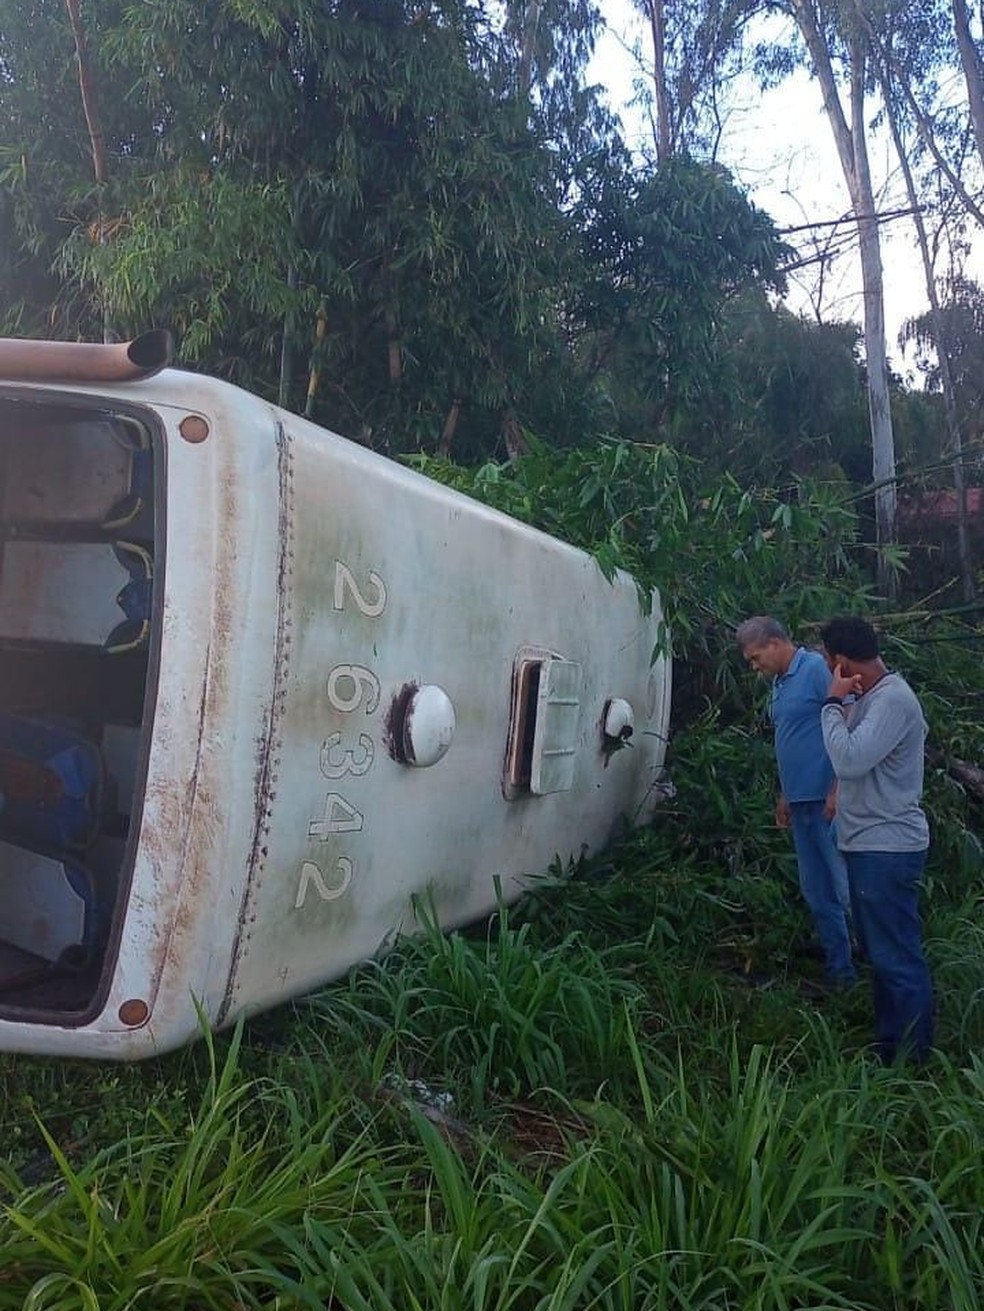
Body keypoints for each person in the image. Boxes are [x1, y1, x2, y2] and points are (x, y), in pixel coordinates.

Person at [819, 616, 934, 1063]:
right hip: (869, 842)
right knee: (883, 954)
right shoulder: (870, 698)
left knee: (895, 956)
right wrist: (847, 702)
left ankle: (910, 1062)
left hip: (886, 846)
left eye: (830, 663)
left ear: (841, 661)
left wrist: (831, 704)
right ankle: (892, 1046)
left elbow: (848, 760)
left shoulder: (893, 701)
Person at [737, 616, 855, 988]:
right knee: (817, 892)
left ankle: (883, 965)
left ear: (775, 643)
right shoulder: (779, 684)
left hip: (827, 802)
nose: (755, 667)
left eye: (757, 658)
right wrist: (785, 794)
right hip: (801, 802)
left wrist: (839, 788)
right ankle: (842, 975)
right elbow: (790, 739)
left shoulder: (817, 670)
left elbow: (849, 722)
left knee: (846, 887)